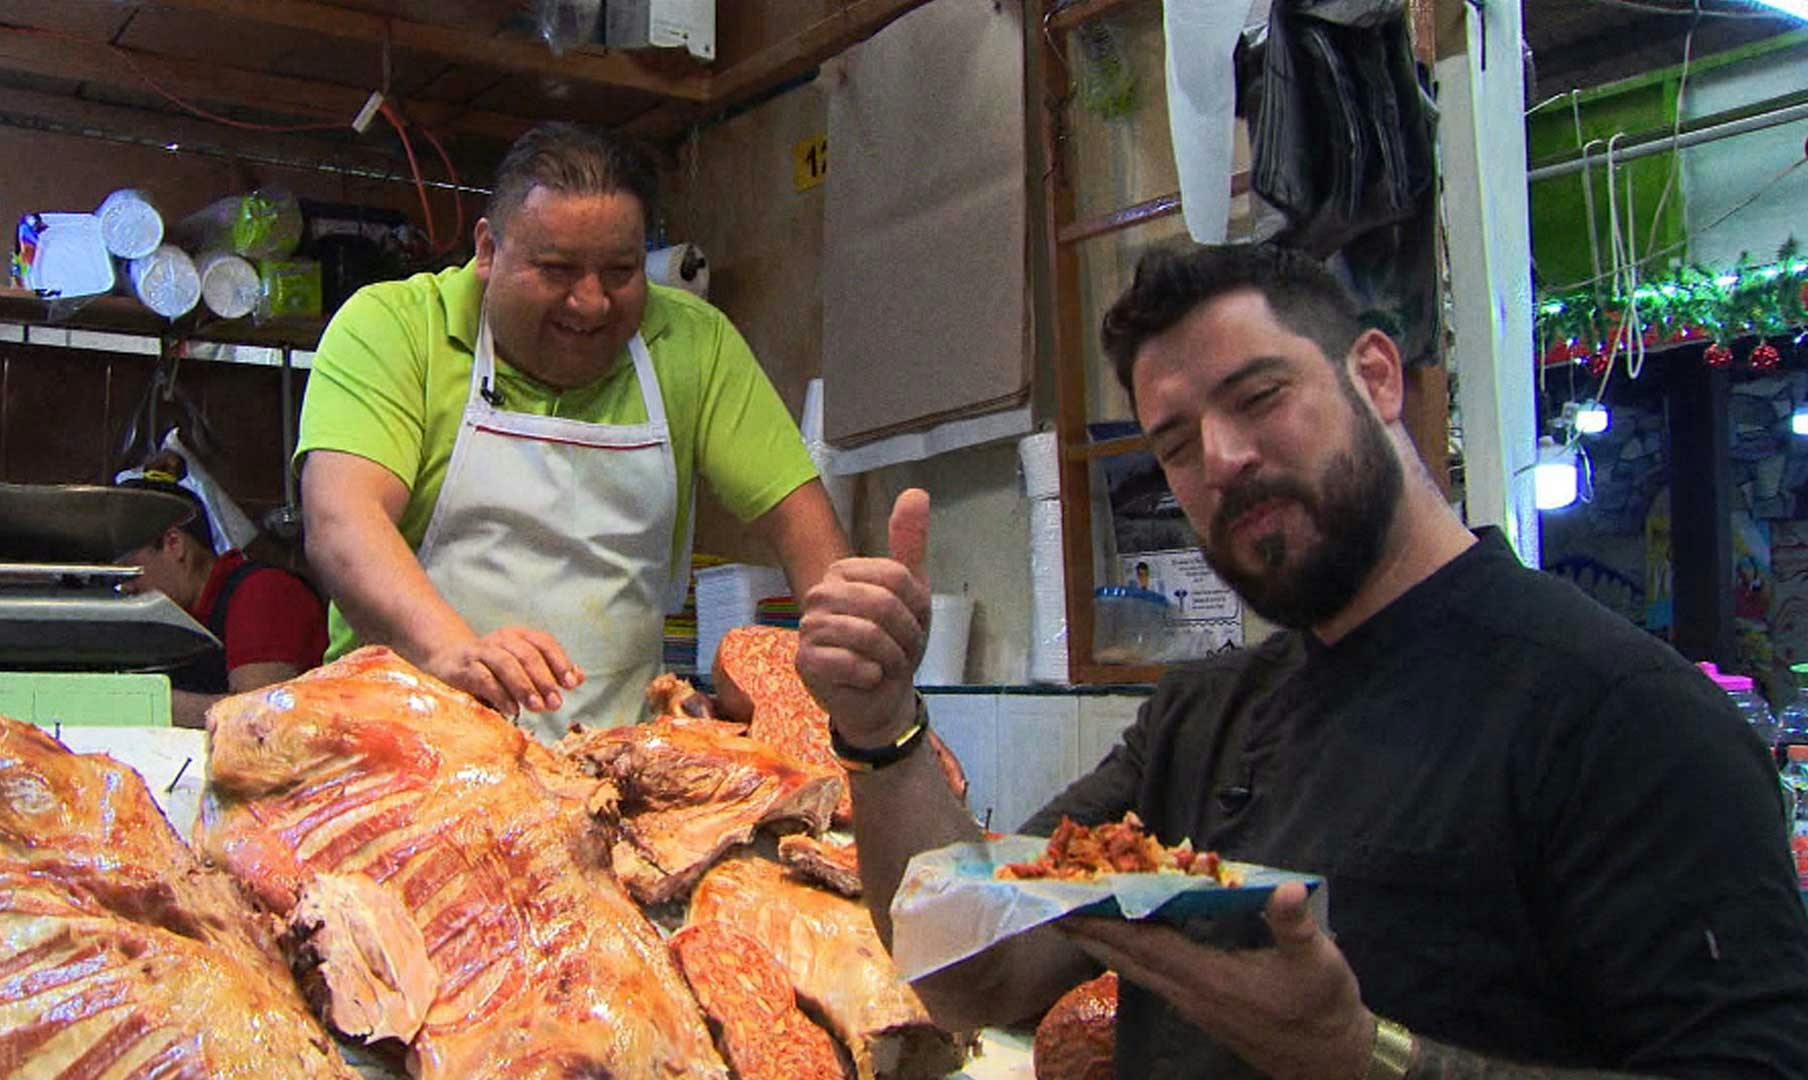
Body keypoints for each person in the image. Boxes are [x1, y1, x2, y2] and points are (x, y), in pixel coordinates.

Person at [798, 244, 1808, 1079]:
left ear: (1374, 377)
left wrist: (1359, 1057)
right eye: (1179, 443)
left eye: (1258, 395)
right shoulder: (1201, 722)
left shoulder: (1627, 718)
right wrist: (883, 729)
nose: (1222, 459)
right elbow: (982, 967)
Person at [296, 122, 850, 736]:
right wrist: (454, 653)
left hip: (611, 768)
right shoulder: (394, 329)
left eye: (619, 271)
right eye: (556, 270)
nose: (590, 303)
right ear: (487, 250)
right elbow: (342, 523)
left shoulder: (692, 341)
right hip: (401, 749)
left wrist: (861, 674)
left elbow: (800, 521)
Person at [116, 478, 328, 728]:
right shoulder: (178, 618)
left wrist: (131, 701)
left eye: (128, 568)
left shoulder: (263, 591)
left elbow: (255, 715)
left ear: (174, 544)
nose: (125, 586)